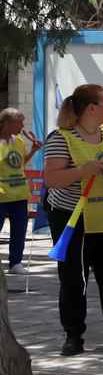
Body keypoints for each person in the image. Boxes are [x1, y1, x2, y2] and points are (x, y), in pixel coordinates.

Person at [43, 86, 103, 356]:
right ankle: (73, 334)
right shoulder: (62, 138)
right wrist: (83, 170)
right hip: (74, 218)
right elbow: (52, 179)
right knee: (74, 278)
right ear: (91, 108)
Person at [0, 108, 40, 274]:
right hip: (2, 195)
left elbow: (20, 162)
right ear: (7, 123)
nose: (23, 125)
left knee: (19, 230)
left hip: (19, 195)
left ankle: (15, 263)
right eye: (20, 121)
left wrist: (34, 150)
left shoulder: (19, 141)